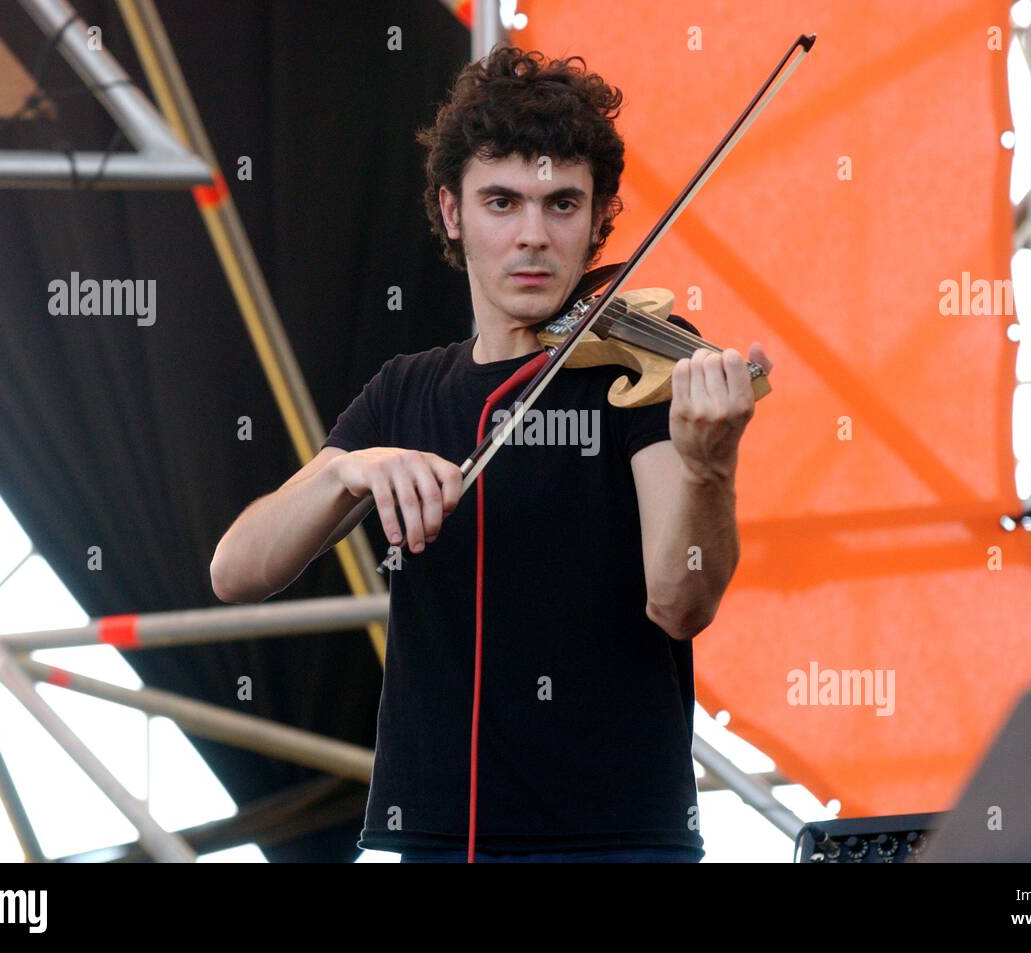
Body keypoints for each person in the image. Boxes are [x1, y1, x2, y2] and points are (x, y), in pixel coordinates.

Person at [210, 45, 771, 864]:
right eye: (502, 202)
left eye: (563, 204)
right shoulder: (406, 391)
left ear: (599, 217)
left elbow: (680, 603)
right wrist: (345, 470)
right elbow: (236, 571)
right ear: (451, 212)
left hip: (614, 843)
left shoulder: (640, 367)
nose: (534, 237)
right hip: (433, 840)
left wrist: (709, 465)